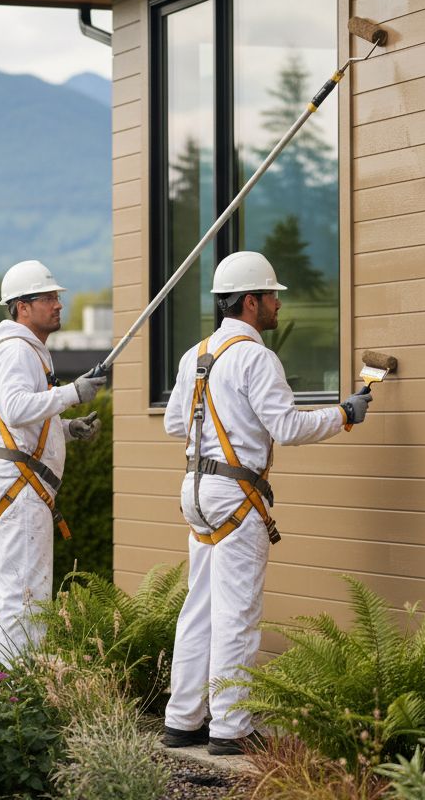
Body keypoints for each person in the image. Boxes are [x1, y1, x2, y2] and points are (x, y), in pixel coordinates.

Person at [161, 250, 372, 756]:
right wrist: (344, 413)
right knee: (236, 613)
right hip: (236, 493)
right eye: (273, 297)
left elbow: (174, 424)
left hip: (197, 492)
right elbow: (288, 427)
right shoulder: (256, 357)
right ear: (251, 301)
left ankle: (182, 719)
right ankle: (230, 730)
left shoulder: (197, 355)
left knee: (199, 609)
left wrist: (219, 430)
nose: (278, 306)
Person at [0, 259, 107, 665]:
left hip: (17, 482)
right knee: (26, 592)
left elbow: (24, 425)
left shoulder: (25, 351)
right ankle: (19, 691)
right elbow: (15, 409)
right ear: (22, 306)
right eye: (47, 297)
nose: (57, 304)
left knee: (11, 588)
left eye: (56, 297)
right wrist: (73, 393)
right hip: (20, 487)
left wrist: (66, 430)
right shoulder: (17, 351)